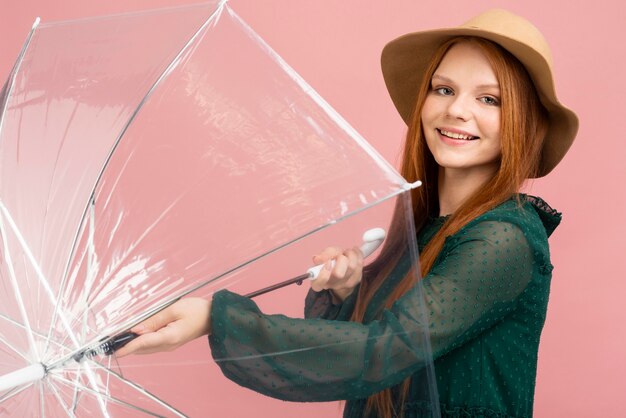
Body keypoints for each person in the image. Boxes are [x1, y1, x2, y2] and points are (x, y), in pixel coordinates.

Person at [117, 9, 578, 418]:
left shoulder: (504, 239)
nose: (456, 110)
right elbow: (371, 369)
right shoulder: (423, 229)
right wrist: (349, 294)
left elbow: (381, 352)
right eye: (444, 88)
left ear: (523, 121)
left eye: (489, 99)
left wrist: (215, 320)